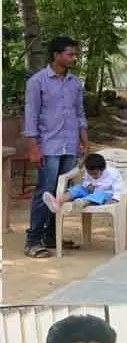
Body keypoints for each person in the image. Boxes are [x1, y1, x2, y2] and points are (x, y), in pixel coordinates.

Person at [23, 36, 89, 259]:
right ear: (56, 55)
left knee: (60, 193)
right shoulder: (37, 82)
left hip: (69, 146)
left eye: (75, 54)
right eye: (70, 54)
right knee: (45, 191)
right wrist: (33, 147)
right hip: (48, 146)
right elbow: (31, 117)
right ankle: (32, 240)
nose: (74, 58)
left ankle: (51, 236)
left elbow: (80, 115)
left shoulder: (75, 84)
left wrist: (85, 143)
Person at [43, 152, 123, 212]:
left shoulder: (113, 173)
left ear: (103, 168)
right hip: (90, 191)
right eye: (90, 173)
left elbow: (118, 187)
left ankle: (82, 203)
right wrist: (88, 185)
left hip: (105, 194)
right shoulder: (88, 172)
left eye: (95, 174)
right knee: (77, 188)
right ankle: (57, 202)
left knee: (99, 195)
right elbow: (86, 180)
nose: (92, 176)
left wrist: (115, 198)